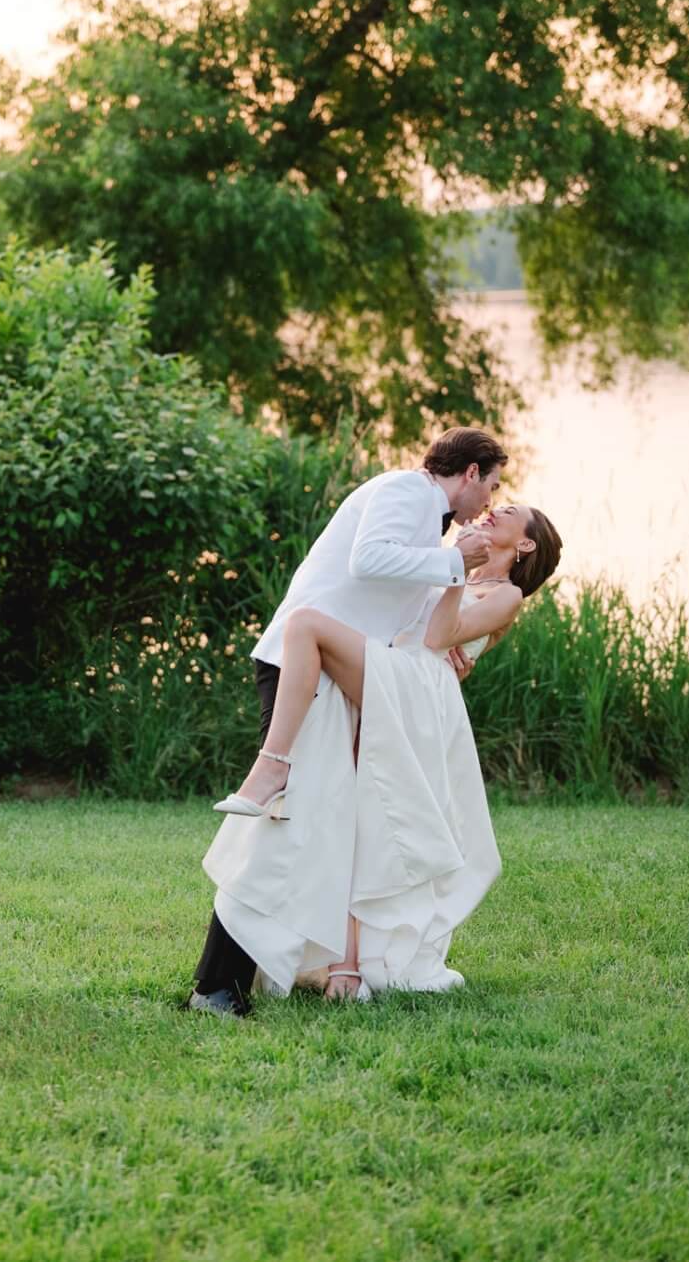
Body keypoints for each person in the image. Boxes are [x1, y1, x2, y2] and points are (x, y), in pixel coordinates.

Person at [186, 428, 507, 1018]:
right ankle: (215, 987)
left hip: (328, 675)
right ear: (468, 473)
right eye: (489, 483)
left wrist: (446, 638)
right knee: (280, 825)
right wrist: (452, 561)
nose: (488, 500)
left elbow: (391, 609)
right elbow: (368, 559)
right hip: (296, 667)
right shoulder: (406, 491)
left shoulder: (428, 525)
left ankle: (240, 979)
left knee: (310, 823)